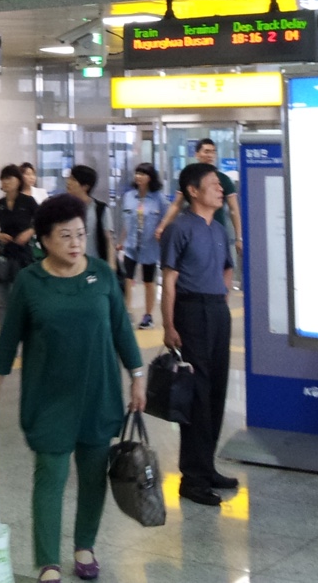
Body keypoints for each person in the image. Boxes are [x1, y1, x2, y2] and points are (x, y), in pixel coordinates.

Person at [0, 195, 146, 583]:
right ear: (43, 241)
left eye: (80, 234)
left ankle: (84, 546)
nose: (76, 243)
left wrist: (138, 377)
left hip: (99, 394)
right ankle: (48, 562)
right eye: (66, 236)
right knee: (50, 478)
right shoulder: (30, 282)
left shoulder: (101, 275)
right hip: (49, 400)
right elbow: (7, 344)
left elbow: (121, 330)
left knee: (93, 478)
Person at [161, 162, 238, 507]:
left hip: (217, 311)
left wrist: (221, 301)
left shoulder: (219, 231)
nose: (220, 189)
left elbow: (226, 270)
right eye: (213, 184)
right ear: (193, 191)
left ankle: (207, 468)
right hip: (190, 312)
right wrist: (168, 324)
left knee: (217, 389)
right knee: (197, 394)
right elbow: (170, 280)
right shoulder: (181, 228)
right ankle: (191, 478)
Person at [154, 139, 243, 255]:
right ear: (197, 154)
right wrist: (162, 226)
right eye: (206, 151)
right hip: (193, 231)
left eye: (213, 152)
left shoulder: (224, 179)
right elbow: (176, 204)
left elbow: (234, 209)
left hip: (216, 230)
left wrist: (239, 237)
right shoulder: (189, 178)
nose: (210, 155)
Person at [119, 164, 169, 329]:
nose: (139, 176)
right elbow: (127, 222)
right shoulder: (128, 197)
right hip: (131, 244)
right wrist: (121, 241)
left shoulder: (159, 199)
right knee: (128, 278)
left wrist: (161, 232)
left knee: (149, 281)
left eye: (143, 174)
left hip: (150, 246)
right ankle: (126, 311)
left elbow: (167, 219)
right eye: (137, 173)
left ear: (150, 177)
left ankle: (148, 315)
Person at [0, 164, 35, 326]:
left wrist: (29, 232)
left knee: (20, 298)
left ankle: (22, 336)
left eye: (9, 178)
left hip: (23, 256)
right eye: (3, 178)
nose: (5, 182)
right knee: (2, 300)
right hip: (4, 256)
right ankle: (5, 337)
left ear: (18, 180)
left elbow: (42, 221)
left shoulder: (28, 201)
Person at [63, 164, 110, 264]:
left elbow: (108, 239)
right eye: (69, 178)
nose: (68, 182)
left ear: (85, 186)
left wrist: (112, 265)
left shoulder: (100, 209)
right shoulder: (63, 208)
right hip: (70, 265)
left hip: (95, 264)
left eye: (73, 180)